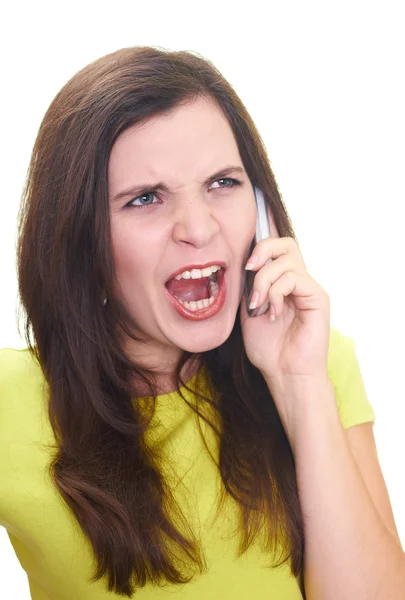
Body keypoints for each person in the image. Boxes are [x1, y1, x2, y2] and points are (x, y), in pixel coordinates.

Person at [2, 45, 399, 600]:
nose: (199, 226)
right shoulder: (10, 401)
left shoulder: (317, 361)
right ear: (79, 237)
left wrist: (298, 385)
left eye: (222, 183)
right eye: (145, 198)